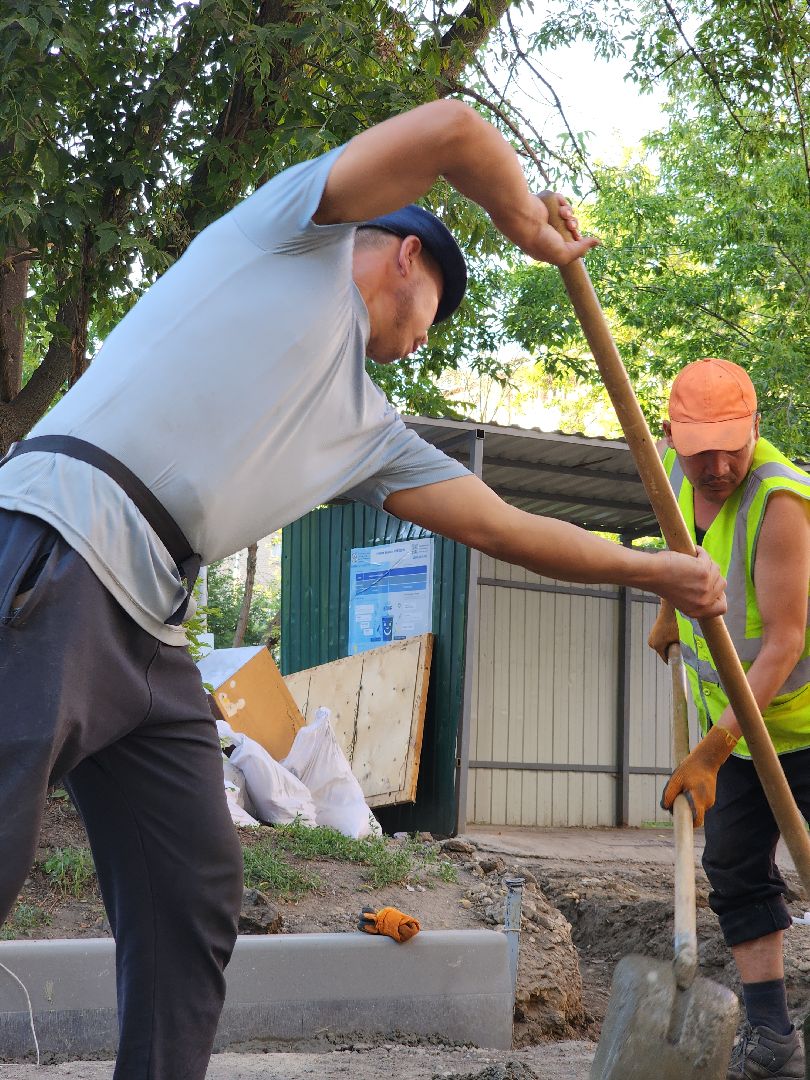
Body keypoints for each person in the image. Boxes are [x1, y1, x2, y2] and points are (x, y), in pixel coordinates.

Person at [0, 99, 726, 1080]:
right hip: (59, 542)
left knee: (194, 889)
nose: (427, 343)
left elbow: (506, 527)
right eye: (438, 315)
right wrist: (526, 227)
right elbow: (455, 132)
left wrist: (655, 570)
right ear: (407, 260)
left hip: (153, 632)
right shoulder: (289, 240)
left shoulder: (369, 432)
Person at [653, 358, 810, 1079]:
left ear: (756, 428)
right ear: (672, 436)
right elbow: (680, 551)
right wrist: (664, 612)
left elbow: (783, 641)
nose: (717, 466)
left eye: (732, 447)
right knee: (735, 869)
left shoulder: (782, 501)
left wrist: (712, 752)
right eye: (699, 450)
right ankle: (773, 1038)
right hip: (742, 730)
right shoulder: (672, 473)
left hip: (803, 726)